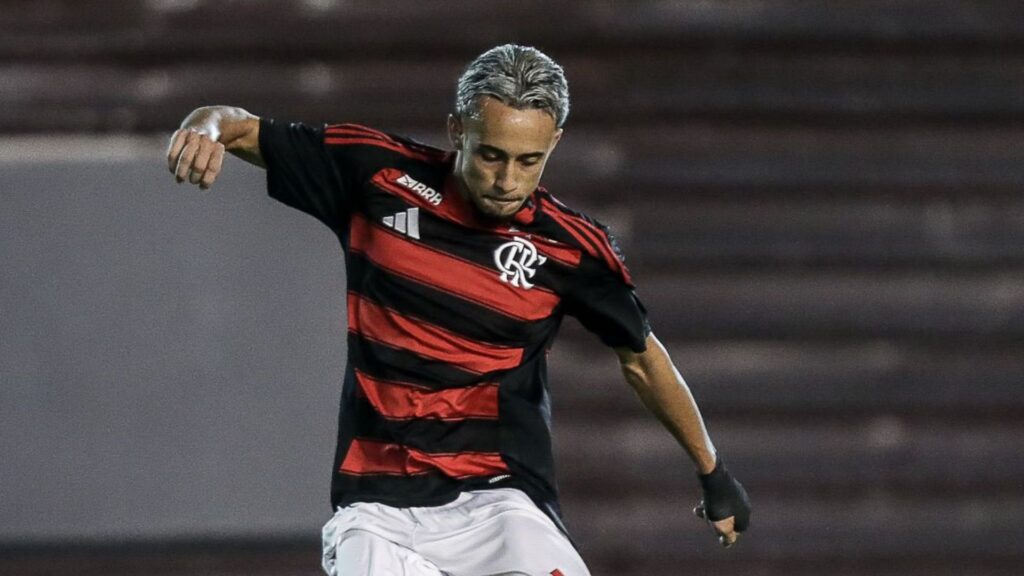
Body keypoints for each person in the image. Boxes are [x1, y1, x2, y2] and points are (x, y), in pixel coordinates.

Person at [166, 44, 750, 576]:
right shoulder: (377, 173)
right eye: (491, 154)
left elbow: (643, 360)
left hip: (501, 502)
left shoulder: (573, 248)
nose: (506, 180)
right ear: (457, 131)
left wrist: (713, 473)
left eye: (528, 161)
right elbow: (238, 128)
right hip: (376, 507)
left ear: (555, 146)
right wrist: (203, 126)